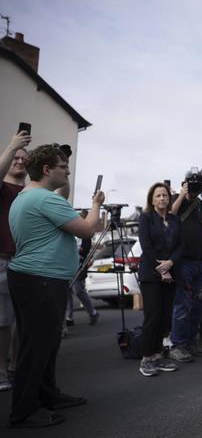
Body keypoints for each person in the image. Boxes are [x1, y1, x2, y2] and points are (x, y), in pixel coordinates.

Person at [7, 144, 104, 428]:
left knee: (44, 344)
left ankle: (47, 395)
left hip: (34, 278)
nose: (68, 170)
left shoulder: (29, 196)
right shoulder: (45, 200)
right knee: (36, 347)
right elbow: (88, 229)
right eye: (63, 166)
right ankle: (24, 409)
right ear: (47, 170)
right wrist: (96, 204)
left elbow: (64, 200)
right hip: (41, 280)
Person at [168, 179, 202, 363]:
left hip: (201, 260)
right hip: (182, 261)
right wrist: (181, 195)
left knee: (201, 301)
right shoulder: (175, 199)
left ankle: (191, 340)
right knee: (182, 304)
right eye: (191, 185)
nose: (194, 190)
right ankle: (178, 344)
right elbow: (170, 217)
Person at [137, 182, 181, 376]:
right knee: (153, 316)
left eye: (164, 195)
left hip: (171, 272)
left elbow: (181, 246)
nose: (162, 198)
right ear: (152, 199)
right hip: (151, 274)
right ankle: (146, 357)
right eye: (158, 196)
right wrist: (161, 269)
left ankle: (157, 355)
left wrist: (171, 263)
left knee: (165, 317)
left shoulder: (175, 219)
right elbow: (146, 246)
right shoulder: (146, 218)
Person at [0, 130, 31, 392]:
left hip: (28, 262)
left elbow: (61, 192)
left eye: (24, 158)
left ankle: (15, 368)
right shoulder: (3, 186)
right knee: (3, 321)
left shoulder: (30, 191)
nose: (19, 161)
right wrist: (13, 146)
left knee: (23, 321)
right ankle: (0, 371)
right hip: (3, 260)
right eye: (15, 158)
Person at [64, 210, 100, 328]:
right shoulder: (69, 231)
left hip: (78, 264)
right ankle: (68, 318)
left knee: (78, 290)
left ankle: (93, 312)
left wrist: (76, 251)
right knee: (66, 292)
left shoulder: (85, 233)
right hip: (67, 263)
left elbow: (85, 250)